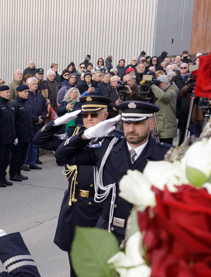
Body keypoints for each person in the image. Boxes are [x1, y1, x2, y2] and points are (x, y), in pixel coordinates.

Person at [55, 99, 170, 253]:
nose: (131, 129)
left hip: (147, 235)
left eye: (138, 123)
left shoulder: (168, 156)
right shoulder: (108, 149)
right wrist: (86, 135)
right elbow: (62, 155)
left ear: (151, 125)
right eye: (127, 123)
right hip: (110, 232)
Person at [35, 99, 107, 277]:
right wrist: (57, 122)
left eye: (94, 115)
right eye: (85, 115)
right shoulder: (74, 135)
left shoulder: (113, 138)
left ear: (105, 115)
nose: (89, 119)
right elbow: (40, 141)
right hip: (75, 204)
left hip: (100, 207)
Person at [0, 84, 16, 188]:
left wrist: (14, 136)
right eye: (7, 92)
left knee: (5, 159)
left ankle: (3, 177)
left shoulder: (7, 104)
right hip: (1, 138)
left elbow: (11, 122)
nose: (9, 94)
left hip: (8, 137)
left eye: (9, 92)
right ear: (0, 93)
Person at [9, 85, 33, 181]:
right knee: (16, 156)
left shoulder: (26, 103)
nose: (27, 93)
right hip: (19, 136)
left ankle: (18, 172)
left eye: (27, 92)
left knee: (22, 156)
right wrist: (14, 136)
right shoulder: (15, 105)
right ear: (19, 93)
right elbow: (13, 122)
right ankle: (13, 173)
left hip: (27, 134)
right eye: (25, 92)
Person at [151, 76, 179, 145]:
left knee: (166, 148)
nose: (160, 85)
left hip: (167, 127)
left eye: (162, 83)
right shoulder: (159, 91)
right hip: (158, 126)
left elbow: (164, 97)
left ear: (166, 83)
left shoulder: (172, 91)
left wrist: (152, 86)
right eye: (158, 83)